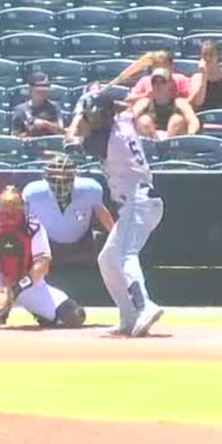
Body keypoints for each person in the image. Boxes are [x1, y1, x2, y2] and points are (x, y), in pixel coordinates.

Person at [66, 86, 165, 338]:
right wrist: (99, 98)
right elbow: (127, 105)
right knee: (108, 259)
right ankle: (128, 316)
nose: (93, 119)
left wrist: (79, 111)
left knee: (124, 256)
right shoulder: (123, 119)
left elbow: (69, 141)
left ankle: (145, 306)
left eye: (96, 115)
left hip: (138, 201)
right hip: (139, 202)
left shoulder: (105, 140)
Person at [0, 186, 86, 329]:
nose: (9, 212)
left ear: (23, 208)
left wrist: (15, 289)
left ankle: (41, 313)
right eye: (5, 207)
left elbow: (42, 264)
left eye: (14, 207)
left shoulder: (34, 228)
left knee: (74, 316)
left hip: (29, 284)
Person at [22, 153, 114, 249]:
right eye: (55, 179)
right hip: (47, 244)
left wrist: (114, 235)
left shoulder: (90, 189)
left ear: (75, 176)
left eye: (65, 179)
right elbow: (25, 218)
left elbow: (101, 212)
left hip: (83, 242)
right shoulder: (33, 193)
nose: (60, 184)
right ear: (45, 177)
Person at [129, 67, 199, 139]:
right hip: (151, 140)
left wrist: (191, 133)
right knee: (144, 120)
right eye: (154, 82)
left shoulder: (180, 103)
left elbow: (193, 121)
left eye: (163, 81)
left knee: (176, 120)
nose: (158, 85)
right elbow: (128, 118)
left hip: (175, 142)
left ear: (170, 84)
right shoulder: (144, 103)